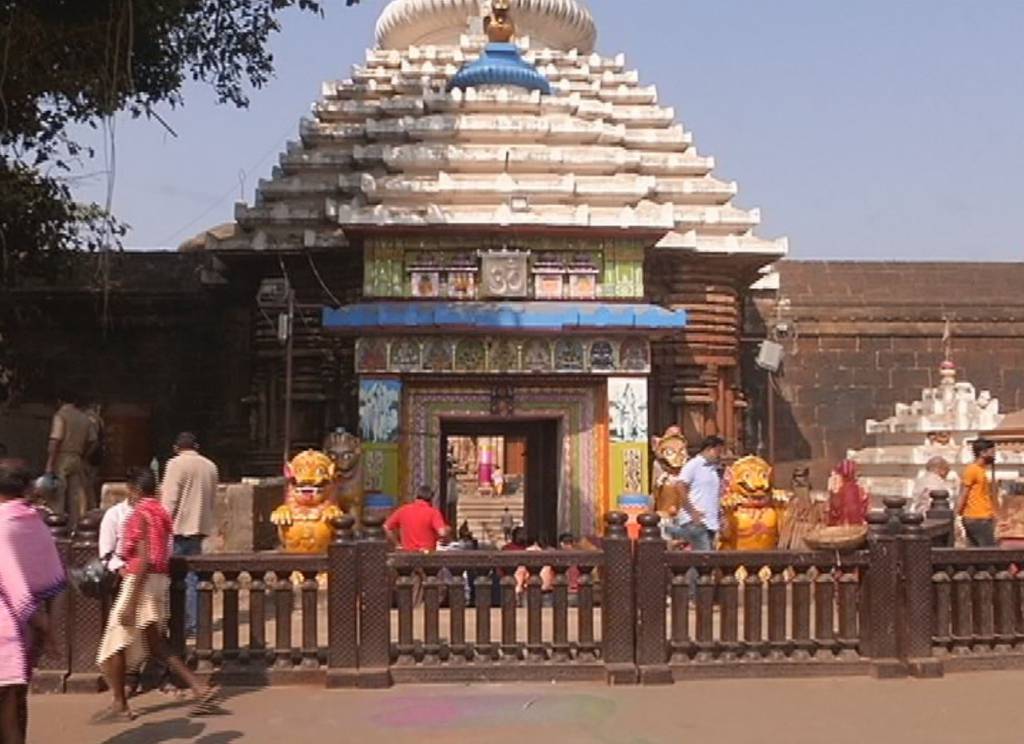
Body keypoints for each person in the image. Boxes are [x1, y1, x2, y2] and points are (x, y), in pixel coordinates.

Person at [95, 468, 219, 722]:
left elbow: (142, 557)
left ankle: (120, 703)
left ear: (133, 489)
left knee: (115, 643)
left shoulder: (139, 515)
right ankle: (199, 688)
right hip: (159, 581)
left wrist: (130, 601)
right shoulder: (161, 513)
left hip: (139, 581)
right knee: (156, 643)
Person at [0, 459, 65, 744]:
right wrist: (47, 629)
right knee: (16, 703)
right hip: (25, 628)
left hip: (7, 626)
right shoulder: (33, 521)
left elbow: (14, 586)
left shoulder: (3, 524)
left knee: (9, 708)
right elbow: (51, 579)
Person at [160, 432, 218, 637]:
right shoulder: (210, 466)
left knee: (179, 577)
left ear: (176, 448)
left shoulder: (175, 465)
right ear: (197, 446)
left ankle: (187, 623)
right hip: (200, 526)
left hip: (178, 527)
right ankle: (197, 620)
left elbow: (170, 500)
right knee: (195, 576)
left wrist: (160, 526)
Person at [43, 391, 99, 525]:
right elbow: (94, 441)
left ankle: (57, 526)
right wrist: (84, 455)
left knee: (57, 495)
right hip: (77, 457)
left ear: (59, 401)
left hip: (62, 457)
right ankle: (75, 528)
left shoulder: (60, 416)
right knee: (76, 497)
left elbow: (56, 439)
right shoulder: (84, 418)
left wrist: (50, 463)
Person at [667, 435, 726, 551]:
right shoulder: (694, 464)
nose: (720, 455)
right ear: (710, 449)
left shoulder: (714, 470)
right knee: (705, 558)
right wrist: (692, 511)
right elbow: (680, 485)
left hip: (710, 522)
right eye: (718, 451)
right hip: (696, 521)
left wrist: (720, 516)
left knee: (702, 559)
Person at [384, 486, 451, 552]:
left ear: (416, 497)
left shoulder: (403, 510)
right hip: (426, 555)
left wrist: (397, 544)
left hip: (407, 554)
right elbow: (442, 533)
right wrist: (447, 534)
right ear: (431, 499)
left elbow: (386, 527)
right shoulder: (433, 512)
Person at [959, 438, 998, 547]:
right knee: (989, 553)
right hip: (977, 517)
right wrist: (956, 516)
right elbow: (963, 493)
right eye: (992, 452)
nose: (994, 455)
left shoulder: (981, 470)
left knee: (976, 554)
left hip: (981, 517)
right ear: (983, 453)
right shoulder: (972, 470)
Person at [827, 460, 869, 526]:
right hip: (855, 523)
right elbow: (865, 504)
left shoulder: (839, 489)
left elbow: (834, 507)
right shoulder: (859, 488)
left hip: (842, 524)